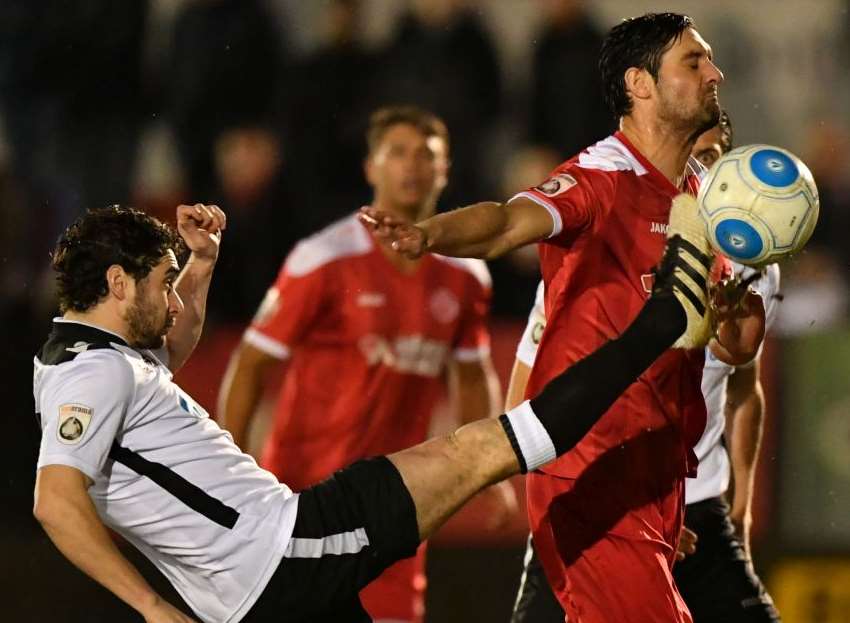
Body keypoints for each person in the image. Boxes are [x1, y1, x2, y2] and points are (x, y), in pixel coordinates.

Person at [32, 195, 736, 621]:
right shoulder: (90, 377)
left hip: (256, 588)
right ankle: (662, 320)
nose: (175, 298)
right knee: (486, 447)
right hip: (285, 550)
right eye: (163, 282)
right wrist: (153, 607)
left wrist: (201, 263)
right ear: (118, 282)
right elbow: (56, 502)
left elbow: (168, 352)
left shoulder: (96, 357)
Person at [360, 13, 766, 622]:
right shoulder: (600, 178)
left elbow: (732, 352)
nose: (716, 72)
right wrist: (427, 234)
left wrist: (736, 323)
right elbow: (503, 223)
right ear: (641, 83)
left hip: (652, 482)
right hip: (588, 472)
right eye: (695, 61)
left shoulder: (704, 200)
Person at [216, 106, 508, 623]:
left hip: (399, 505)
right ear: (371, 168)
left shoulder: (467, 278)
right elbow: (252, 363)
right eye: (397, 153)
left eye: (427, 156)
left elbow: (470, 374)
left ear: (446, 172)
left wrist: (488, 471)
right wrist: (227, 470)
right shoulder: (324, 257)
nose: (412, 166)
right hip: (305, 501)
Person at [509, 112, 782, 623]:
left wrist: (741, 505)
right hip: (593, 500)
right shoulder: (601, 250)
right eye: (689, 156)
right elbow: (526, 401)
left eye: (710, 158)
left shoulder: (753, 268)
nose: (697, 173)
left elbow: (746, 388)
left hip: (697, 504)